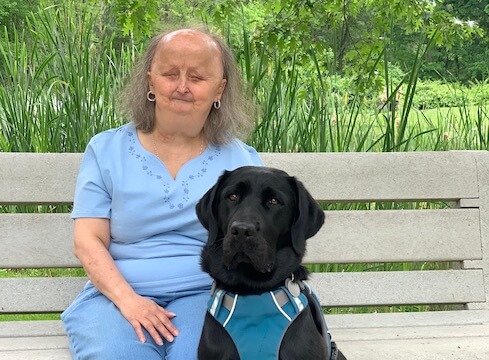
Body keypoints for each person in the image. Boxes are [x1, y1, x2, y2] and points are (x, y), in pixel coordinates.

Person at [61, 26, 263, 359]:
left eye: (197, 78)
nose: (182, 87)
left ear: (219, 89)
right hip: (115, 298)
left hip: (208, 294)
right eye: (170, 74)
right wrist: (130, 302)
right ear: (151, 81)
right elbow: (87, 241)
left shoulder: (242, 161)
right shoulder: (106, 149)